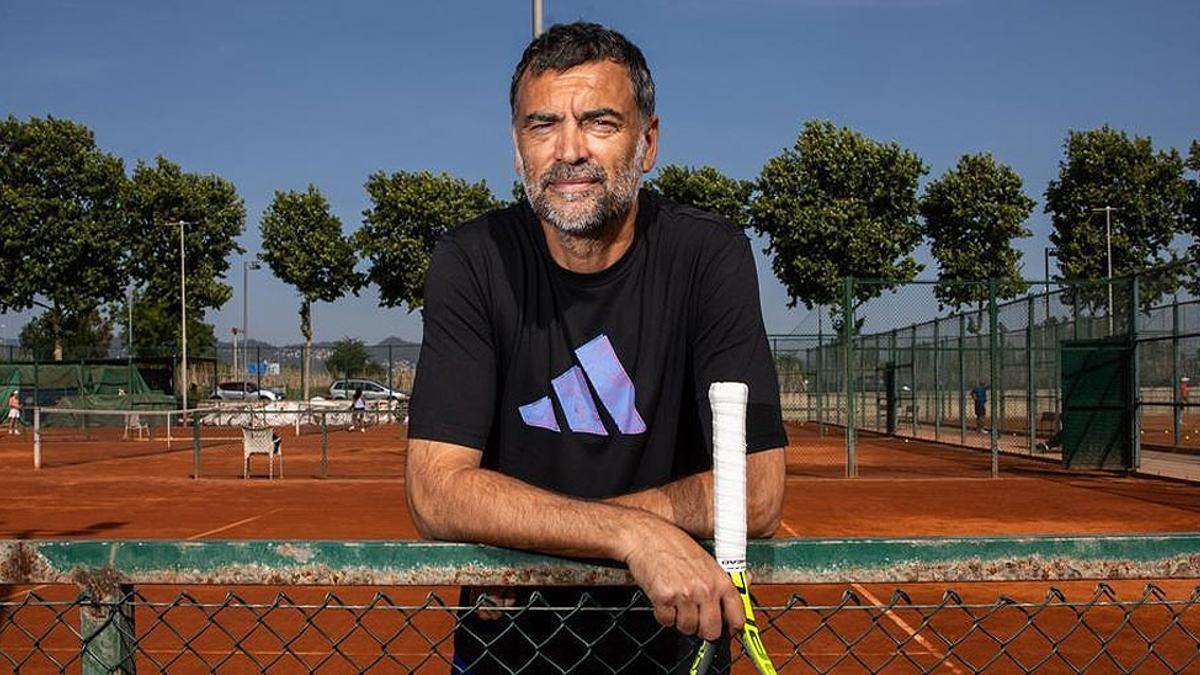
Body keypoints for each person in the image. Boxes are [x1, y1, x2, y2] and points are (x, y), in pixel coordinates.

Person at [405, 22, 786, 673]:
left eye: (601, 122)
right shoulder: (472, 260)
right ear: (517, 146)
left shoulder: (708, 255)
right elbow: (433, 488)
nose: (569, 149)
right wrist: (634, 534)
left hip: (668, 643)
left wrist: (529, 540)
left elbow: (756, 491)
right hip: (509, 648)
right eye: (543, 124)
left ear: (648, 144)